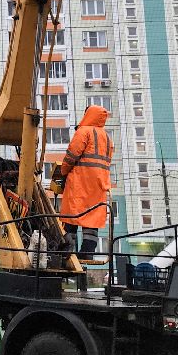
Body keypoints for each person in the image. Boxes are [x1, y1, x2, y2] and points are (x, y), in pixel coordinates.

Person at [54, 105, 113, 259]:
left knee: (72, 215)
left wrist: (63, 172)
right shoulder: (106, 137)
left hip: (80, 183)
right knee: (92, 219)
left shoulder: (83, 132)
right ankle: (87, 254)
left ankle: (67, 252)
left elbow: (71, 156)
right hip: (99, 186)